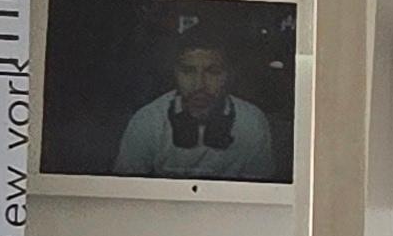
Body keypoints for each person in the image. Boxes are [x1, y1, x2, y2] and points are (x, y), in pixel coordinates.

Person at [112, 30, 283, 181]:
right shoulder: (147, 121)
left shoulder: (252, 123)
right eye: (188, 71)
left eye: (213, 72)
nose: (199, 85)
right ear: (175, 73)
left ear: (229, 75)